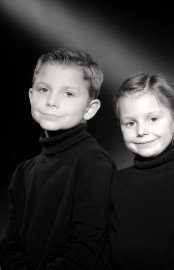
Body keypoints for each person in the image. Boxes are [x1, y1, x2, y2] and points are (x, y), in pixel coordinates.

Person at [0, 48, 117, 269]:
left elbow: (87, 250)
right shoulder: (24, 172)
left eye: (69, 93)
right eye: (43, 89)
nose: (51, 101)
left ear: (90, 109)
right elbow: (10, 245)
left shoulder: (94, 164)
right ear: (31, 95)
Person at [105, 73, 174, 270]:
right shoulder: (116, 182)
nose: (141, 131)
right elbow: (105, 248)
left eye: (153, 119)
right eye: (130, 123)